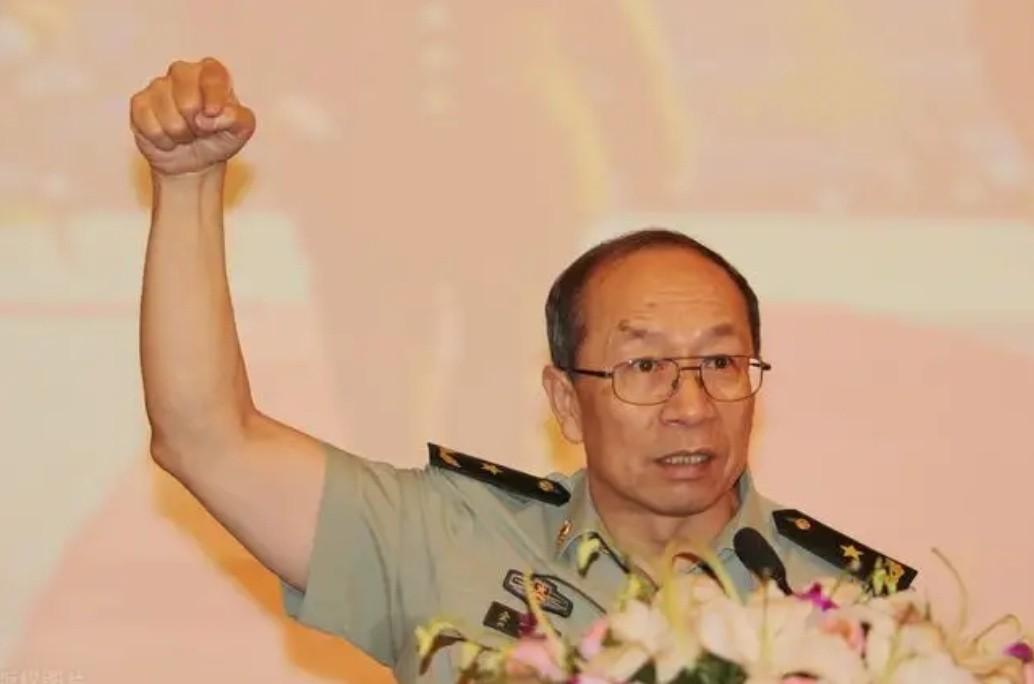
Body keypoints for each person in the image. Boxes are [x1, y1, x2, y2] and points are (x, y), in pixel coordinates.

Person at [131, 57, 915, 683]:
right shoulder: (449, 542)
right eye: (644, 365)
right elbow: (205, 437)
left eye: (720, 362)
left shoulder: (854, 613)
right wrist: (188, 183)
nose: (691, 405)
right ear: (565, 401)